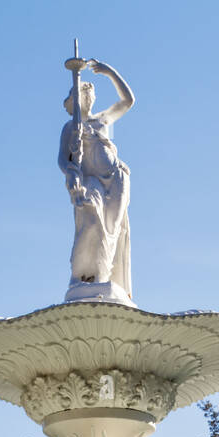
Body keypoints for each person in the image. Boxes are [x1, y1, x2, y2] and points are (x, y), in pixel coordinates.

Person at [58, 58, 134, 299]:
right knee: (90, 221)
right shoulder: (71, 128)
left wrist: (110, 72)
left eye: (87, 94)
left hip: (116, 181)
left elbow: (128, 101)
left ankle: (102, 275)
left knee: (111, 230)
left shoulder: (103, 120)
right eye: (80, 94)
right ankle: (80, 274)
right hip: (90, 182)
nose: (86, 98)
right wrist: (70, 170)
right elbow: (62, 159)